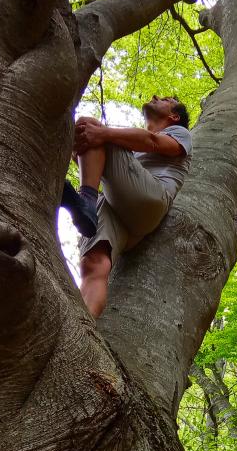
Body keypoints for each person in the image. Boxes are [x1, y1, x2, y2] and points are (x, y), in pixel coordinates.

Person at [67, 95, 192, 318]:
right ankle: (80, 326)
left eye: (165, 99)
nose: (155, 97)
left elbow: (154, 142)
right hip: (119, 213)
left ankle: (86, 198)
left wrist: (101, 134)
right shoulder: (131, 151)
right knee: (93, 265)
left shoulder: (180, 133)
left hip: (150, 199)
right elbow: (95, 158)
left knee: (90, 125)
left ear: (174, 116)